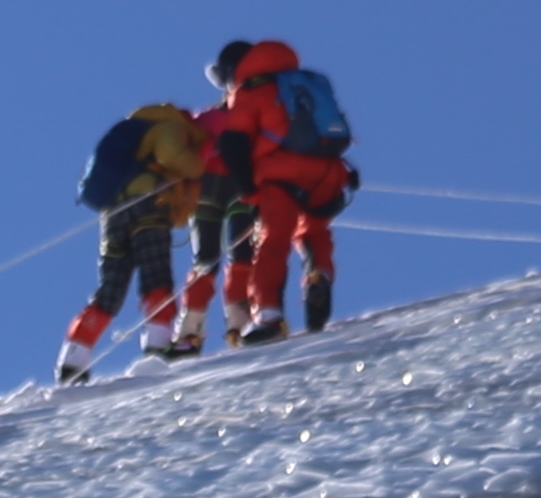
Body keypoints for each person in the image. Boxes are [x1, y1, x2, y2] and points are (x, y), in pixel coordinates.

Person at [56, 101, 215, 378]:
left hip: (112, 215)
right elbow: (172, 156)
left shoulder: (134, 130)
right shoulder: (172, 126)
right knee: (156, 275)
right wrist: (198, 166)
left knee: (110, 287)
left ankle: (74, 356)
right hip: (149, 204)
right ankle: (158, 344)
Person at [219, 36, 357, 345]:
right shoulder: (304, 81)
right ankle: (318, 276)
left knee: (273, 241)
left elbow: (233, 143)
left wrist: (248, 190)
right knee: (314, 232)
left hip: (281, 175)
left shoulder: (249, 90)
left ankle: (269, 315)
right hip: (330, 172)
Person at [176, 49, 275, 355]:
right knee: (241, 253)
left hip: (205, 188)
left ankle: (190, 329)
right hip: (241, 185)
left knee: (204, 258)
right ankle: (240, 321)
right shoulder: (254, 113)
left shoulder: (206, 117)